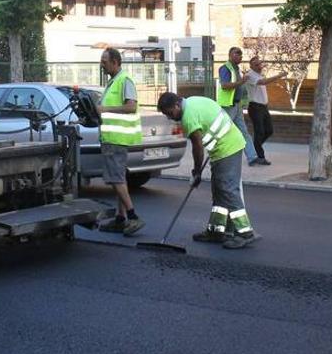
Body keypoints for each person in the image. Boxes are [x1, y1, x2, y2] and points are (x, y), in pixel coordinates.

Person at [157, 92, 260, 249]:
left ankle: (245, 232)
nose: (171, 117)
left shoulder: (188, 117)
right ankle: (216, 231)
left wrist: (196, 171)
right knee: (219, 191)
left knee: (227, 190)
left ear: (177, 105)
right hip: (223, 147)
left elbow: (197, 147)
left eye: (170, 113)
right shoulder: (193, 101)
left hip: (227, 148)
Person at [96, 48, 146, 236]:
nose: (102, 64)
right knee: (120, 178)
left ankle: (133, 216)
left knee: (116, 178)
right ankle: (120, 218)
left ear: (116, 62)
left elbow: (131, 106)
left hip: (116, 139)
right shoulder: (114, 81)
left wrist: (105, 109)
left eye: (105, 61)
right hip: (113, 137)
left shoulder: (124, 80)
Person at [217, 47, 262, 166]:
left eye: (241, 55)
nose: (240, 56)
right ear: (230, 55)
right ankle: (218, 156)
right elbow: (225, 85)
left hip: (237, 106)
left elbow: (240, 88)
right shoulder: (225, 68)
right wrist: (241, 82)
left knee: (244, 132)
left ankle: (252, 157)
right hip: (227, 106)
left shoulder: (237, 69)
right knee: (223, 132)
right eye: (237, 54)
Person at [244, 56, 286, 165]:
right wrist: (279, 75)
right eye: (256, 65)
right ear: (251, 66)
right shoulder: (249, 75)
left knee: (269, 130)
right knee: (260, 132)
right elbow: (263, 82)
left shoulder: (258, 74)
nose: (259, 66)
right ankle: (260, 157)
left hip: (263, 107)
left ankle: (253, 149)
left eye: (260, 64)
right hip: (255, 107)